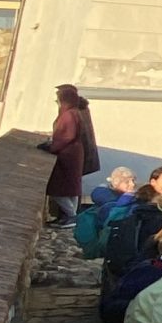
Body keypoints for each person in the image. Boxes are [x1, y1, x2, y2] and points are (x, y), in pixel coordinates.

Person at [41, 84, 100, 227]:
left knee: (59, 189)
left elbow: (67, 135)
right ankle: (71, 217)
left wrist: (52, 147)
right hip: (74, 154)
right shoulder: (76, 112)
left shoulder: (69, 115)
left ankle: (71, 216)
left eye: (59, 99)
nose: (57, 102)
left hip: (68, 154)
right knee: (71, 188)